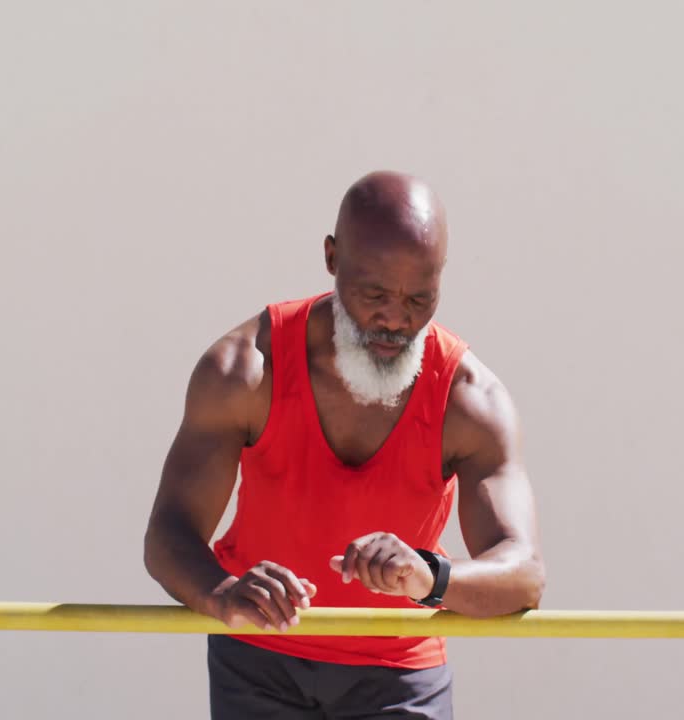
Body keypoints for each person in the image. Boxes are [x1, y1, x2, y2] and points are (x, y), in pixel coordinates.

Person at [144, 170, 545, 719]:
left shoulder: (469, 400)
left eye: (419, 298)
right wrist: (222, 593)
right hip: (258, 659)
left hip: (399, 671)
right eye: (375, 293)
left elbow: (524, 574)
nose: (395, 319)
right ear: (332, 258)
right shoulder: (244, 371)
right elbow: (168, 535)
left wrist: (430, 576)